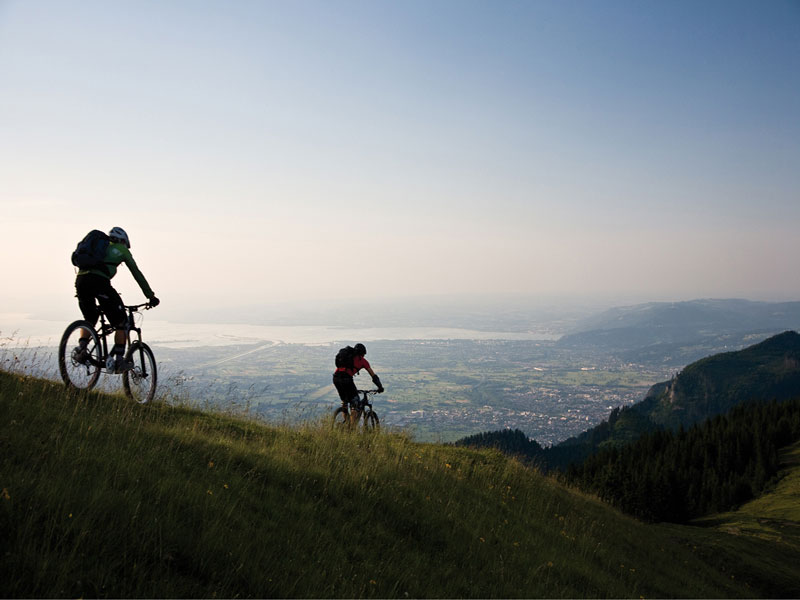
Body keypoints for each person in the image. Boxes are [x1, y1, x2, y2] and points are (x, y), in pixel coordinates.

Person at [74, 227, 160, 373]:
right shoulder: (121, 249)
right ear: (123, 241)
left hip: (81, 280)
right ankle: (119, 361)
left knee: (90, 317)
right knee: (121, 322)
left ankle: (81, 349)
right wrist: (150, 296)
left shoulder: (98, 247)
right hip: (100, 283)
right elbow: (136, 273)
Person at [332, 343, 384, 422]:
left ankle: (346, 424)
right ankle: (352, 429)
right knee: (355, 403)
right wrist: (380, 387)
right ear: (362, 354)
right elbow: (373, 376)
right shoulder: (362, 361)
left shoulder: (347, 357)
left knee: (345, 401)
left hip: (336, 378)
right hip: (347, 379)